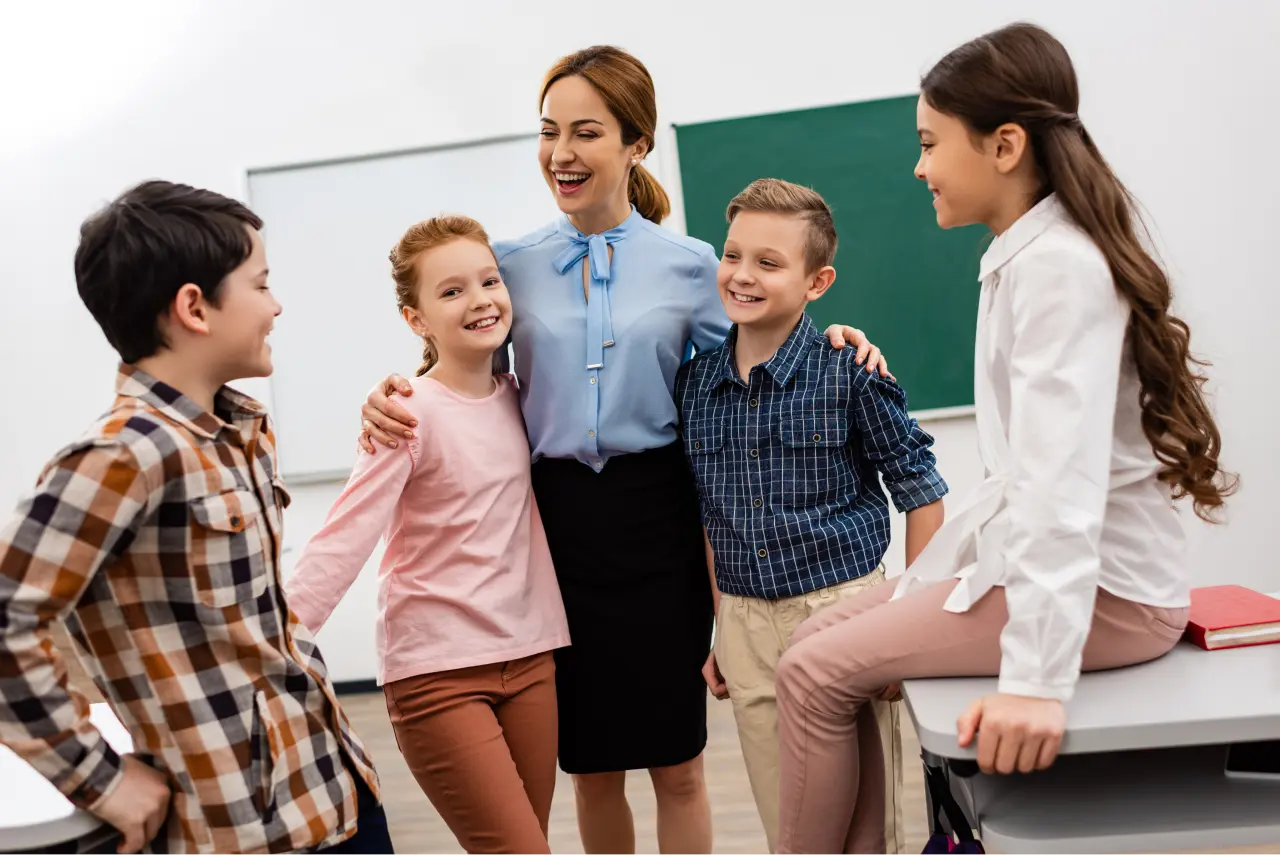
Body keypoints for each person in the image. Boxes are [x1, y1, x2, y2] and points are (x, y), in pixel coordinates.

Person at [354, 46, 889, 855]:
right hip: (556, 530)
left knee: (678, 765)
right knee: (592, 767)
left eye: (586, 132)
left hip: (662, 522)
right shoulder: (511, 264)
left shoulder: (692, 266)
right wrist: (389, 392)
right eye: (548, 132)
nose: (561, 153)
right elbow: (462, 366)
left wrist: (839, 340)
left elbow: (753, 362)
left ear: (634, 144)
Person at [772, 22, 1238, 855]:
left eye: (928, 143)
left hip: (1109, 598)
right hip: (1049, 567)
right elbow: (1019, 486)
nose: (918, 167)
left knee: (811, 671)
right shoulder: (1023, 256)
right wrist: (921, 583)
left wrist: (1035, 683)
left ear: (1005, 145)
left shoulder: (1059, 267)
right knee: (814, 644)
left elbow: (1059, 492)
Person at [0, 180, 393, 855]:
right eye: (261, 284)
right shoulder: (125, 453)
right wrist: (98, 778)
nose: (276, 306)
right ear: (194, 307)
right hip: (241, 832)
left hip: (333, 792)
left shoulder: (236, 431)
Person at [284, 215, 570, 855]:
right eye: (451, 291)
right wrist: (270, 641)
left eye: (489, 280)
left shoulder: (527, 397)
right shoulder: (405, 412)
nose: (480, 300)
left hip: (531, 659)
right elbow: (343, 539)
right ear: (416, 319)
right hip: (438, 672)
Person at [678, 178, 948, 855]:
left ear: (816, 281)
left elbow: (923, 493)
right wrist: (719, 627)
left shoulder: (850, 371)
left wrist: (903, 626)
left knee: (865, 832)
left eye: (769, 262)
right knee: (792, 830)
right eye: (734, 254)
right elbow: (713, 515)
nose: (742, 274)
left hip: (841, 612)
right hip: (743, 624)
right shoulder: (695, 385)